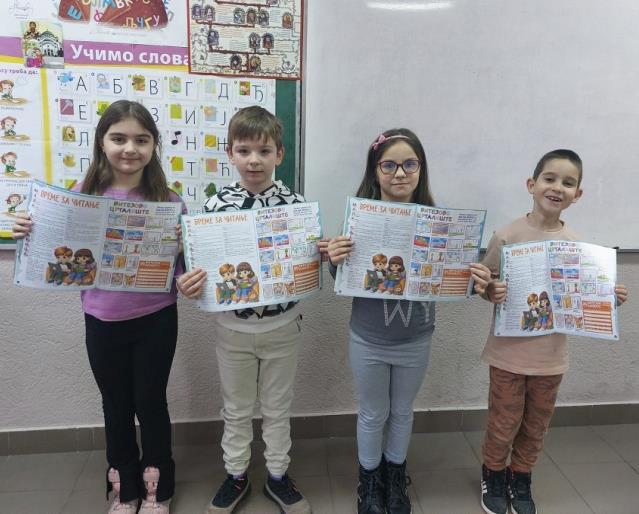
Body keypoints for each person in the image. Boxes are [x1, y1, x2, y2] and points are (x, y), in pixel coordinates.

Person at [12, 100, 186, 514]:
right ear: (102, 143)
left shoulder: (169, 201)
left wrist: (188, 273)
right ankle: (124, 485)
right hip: (102, 320)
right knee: (115, 403)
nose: (130, 148)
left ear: (154, 146)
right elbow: (52, 249)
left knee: (151, 401)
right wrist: (26, 230)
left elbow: (180, 267)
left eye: (141, 140)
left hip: (157, 319)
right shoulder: (80, 196)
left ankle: (158, 484)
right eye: (119, 138)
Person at [324, 129, 490, 514]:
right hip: (367, 339)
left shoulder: (440, 223)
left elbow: (454, 280)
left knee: (401, 411)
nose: (400, 173)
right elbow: (343, 278)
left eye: (409, 164)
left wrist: (474, 279)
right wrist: (335, 260)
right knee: (372, 413)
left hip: (416, 339)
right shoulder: (359, 221)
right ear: (375, 170)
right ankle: (370, 480)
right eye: (389, 165)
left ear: (420, 169)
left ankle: (395, 474)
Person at [472, 149, 628, 514]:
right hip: (508, 355)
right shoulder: (507, 234)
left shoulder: (576, 245)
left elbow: (581, 299)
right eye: (550, 178)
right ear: (532, 184)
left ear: (578, 194)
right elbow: (484, 283)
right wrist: (490, 290)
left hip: (551, 359)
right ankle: (493, 473)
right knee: (503, 421)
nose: (557, 187)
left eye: (568, 183)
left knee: (536, 424)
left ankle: (521, 476)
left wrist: (607, 301)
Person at [176, 106, 312, 514]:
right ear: (230, 154)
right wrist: (190, 282)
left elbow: (305, 265)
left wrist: (317, 253)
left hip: (282, 326)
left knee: (277, 409)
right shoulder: (215, 207)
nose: (254, 160)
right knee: (235, 409)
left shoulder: (296, 206)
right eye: (244, 150)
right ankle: (235, 474)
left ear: (279, 155)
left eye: (264, 151)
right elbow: (200, 269)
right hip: (232, 329)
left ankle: (277, 475)